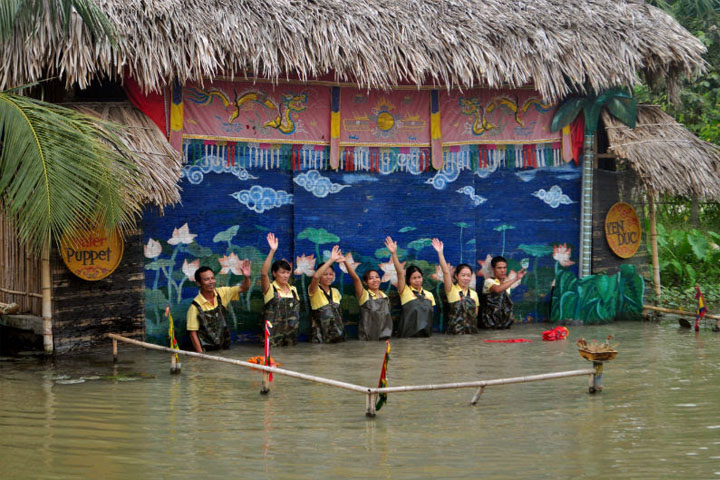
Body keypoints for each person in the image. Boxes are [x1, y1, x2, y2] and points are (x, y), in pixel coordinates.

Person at [187, 262, 251, 353]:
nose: (211, 282)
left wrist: (246, 277)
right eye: (206, 279)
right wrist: (201, 356)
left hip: (224, 348)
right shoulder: (195, 307)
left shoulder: (222, 293)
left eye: (212, 278)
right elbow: (193, 334)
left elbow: (243, 288)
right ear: (198, 283)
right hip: (207, 351)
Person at [386, 236, 435, 337]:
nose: (417, 280)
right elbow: (400, 273)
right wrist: (394, 254)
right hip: (407, 337)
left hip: (425, 337)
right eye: (414, 278)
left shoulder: (429, 295)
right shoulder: (404, 291)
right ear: (408, 280)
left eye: (419, 277)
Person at [432, 238, 479, 334]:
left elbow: (475, 314)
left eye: (468, 276)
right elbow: (445, 272)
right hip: (454, 332)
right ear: (456, 276)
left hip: (471, 332)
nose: (466, 278)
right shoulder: (451, 290)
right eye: (463, 275)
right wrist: (440, 253)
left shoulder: (474, 294)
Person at [261, 232, 300, 346]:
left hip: (291, 341)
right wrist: (272, 251)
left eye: (288, 272)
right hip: (272, 342)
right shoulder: (270, 288)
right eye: (282, 272)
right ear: (274, 273)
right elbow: (264, 274)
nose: (286, 275)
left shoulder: (293, 290)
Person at [343, 256, 392, 341]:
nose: (375, 280)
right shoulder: (364, 295)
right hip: (367, 339)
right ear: (365, 283)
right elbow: (356, 279)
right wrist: (345, 262)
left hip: (384, 339)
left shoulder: (385, 297)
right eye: (371, 278)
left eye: (377, 277)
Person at [308, 245, 345, 343]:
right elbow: (315, 277)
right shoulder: (314, 290)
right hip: (320, 338)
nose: (328, 277)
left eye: (331, 274)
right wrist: (331, 259)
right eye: (325, 274)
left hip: (337, 336)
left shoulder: (336, 292)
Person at [479, 256, 526, 329]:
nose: (503, 270)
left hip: (504, 323)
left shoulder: (507, 284)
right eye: (499, 268)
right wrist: (516, 278)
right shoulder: (488, 281)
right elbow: (497, 290)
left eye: (504, 268)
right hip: (490, 323)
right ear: (493, 269)